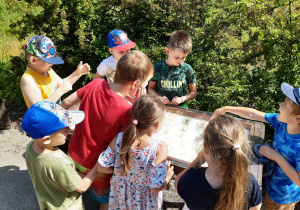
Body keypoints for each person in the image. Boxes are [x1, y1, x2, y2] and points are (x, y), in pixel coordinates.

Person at [61, 50, 153, 210]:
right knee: (107, 199)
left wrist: (61, 131)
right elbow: (131, 141)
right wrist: (138, 106)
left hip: (73, 152)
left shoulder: (95, 84)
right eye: (145, 85)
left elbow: (66, 103)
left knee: (74, 185)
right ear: (136, 85)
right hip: (97, 168)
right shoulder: (128, 111)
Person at [212, 82, 300, 210]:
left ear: (298, 118)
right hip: (271, 184)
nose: (280, 104)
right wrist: (227, 109)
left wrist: (277, 157)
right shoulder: (282, 123)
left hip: (282, 197)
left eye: (285, 104)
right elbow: (254, 114)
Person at [97, 94, 174, 209]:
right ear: (157, 124)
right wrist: (167, 177)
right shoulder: (159, 148)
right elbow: (155, 187)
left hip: (120, 196)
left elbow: (101, 167)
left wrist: (122, 169)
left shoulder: (120, 138)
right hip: (144, 201)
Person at [22, 101, 101, 210]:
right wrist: (98, 166)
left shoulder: (31, 147)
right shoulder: (59, 162)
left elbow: (53, 175)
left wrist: (75, 174)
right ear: (46, 140)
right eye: (65, 130)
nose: (70, 129)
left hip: (48, 202)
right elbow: (81, 187)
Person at [174, 114, 262, 210]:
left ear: (205, 148)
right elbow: (256, 208)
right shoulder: (250, 183)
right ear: (242, 148)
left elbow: (177, 182)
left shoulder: (190, 179)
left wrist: (198, 160)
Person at [21, 35, 90, 108]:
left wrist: (78, 73)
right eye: (48, 60)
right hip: (43, 119)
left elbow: (63, 84)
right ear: (33, 60)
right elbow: (38, 109)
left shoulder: (49, 71)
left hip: (55, 116)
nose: (52, 63)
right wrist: (61, 91)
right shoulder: (28, 79)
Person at [148, 30, 197, 108]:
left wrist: (182, 99)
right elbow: (150, 89)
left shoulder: (187, 69)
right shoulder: (157, 67)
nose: (180, 60)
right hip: (160, 107)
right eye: (177, 57)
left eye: (183, 57)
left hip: (182, 108)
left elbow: (193, 92)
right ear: (168, 51)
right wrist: (159, 98)